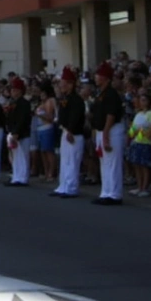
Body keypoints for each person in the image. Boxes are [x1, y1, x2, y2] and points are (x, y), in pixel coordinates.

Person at [91, 62, 126, 206]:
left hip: (111, 130)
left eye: (99, 75)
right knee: (104, 163)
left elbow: (111, 115)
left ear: (105, 78)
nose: (96, 77)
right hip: (102, 130)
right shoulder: (101, 94)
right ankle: (106, 191)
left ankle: (114, 194)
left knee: (113, 163)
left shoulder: (111, 94)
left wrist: (105, 134)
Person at [52, 67, 85, 199]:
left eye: (64, 84)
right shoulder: (65, 98)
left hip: (74, 133)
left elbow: (75, 116)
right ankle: (63, 186)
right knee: (65, 161)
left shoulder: (76, 100)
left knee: (72, 161)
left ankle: (71, 188)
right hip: (65, 131)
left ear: (71, 84)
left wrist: (71, 129)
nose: (61, 86)